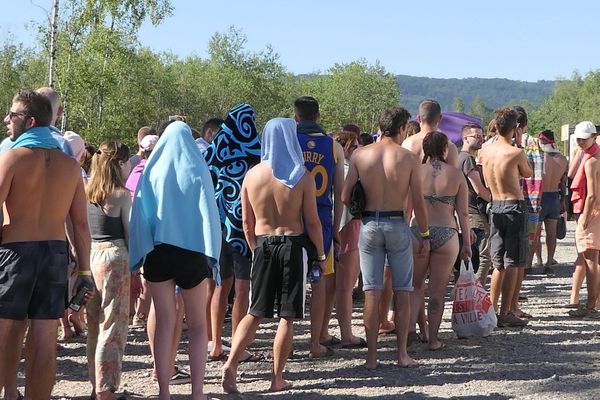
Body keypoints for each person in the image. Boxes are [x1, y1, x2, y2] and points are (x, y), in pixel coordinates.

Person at [221, 118, 325, 393]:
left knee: (255, 312)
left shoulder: (252, 175)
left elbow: (245, 222)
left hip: (264, 244)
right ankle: (276, 377)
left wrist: (257, 250)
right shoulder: (301, 175)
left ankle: (231, 362)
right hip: (293, 244)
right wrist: (321, 254)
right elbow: (313, 222)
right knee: (287, 316)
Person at [0, 90, 91, 400]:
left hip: (15, 253)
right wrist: (85, 271)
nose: (7, 121)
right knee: (44, 339)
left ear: (30, 121)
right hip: (54, 254)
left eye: (12, 115)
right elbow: (80, 225)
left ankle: (9, 392)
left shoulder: (11, 157)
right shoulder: (70, 166)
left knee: (6, 335)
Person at [129, 121, 221, 400]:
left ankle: (164, 391)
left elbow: (139, 214)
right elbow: (209, 212)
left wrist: (137, 258)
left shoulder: (152, 170)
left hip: (157, 251)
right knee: (197, 325)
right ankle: (197, 392)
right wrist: (213, 255)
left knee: (165, 322)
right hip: (191, 251)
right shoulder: (197, 168)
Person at [342, 106, 429, 370]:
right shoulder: (408, 158)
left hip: (369, 223)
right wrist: (424, 233)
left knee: (371, 291)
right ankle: (401, 354)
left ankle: (371, 358)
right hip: (397, 223)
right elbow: (418, 201)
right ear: (402, 128)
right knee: (402, 291)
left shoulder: (360, 154)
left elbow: (345, 196)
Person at [203, 104, 262, 362]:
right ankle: (238, 347)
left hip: (217, 228)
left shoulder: (215, 150)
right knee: (242, 288)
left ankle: (215, 343)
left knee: (219, 285)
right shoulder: (255, 151)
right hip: (243, 228)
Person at [410, 131, 471, 350]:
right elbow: (463, 213)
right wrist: (467, 243)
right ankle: (433, 339)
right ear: (445, 149)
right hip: (447, 233)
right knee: (437, 291)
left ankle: (411, 332)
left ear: (425, 150)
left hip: (418, 231)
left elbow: (408, 208)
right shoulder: (456, 175)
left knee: (415, 286)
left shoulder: (416, 171)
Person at [294, 96, 344, 357]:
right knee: (321, 281)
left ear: (296, 117)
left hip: (294, 217)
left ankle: (287, 342)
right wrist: (336, 228)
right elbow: (339, 191)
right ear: (319, 116)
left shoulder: (289, 142)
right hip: (322, 216)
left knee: (291, 282)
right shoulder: (333, 145)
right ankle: (318, 339)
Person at [85, 140, 135, 400]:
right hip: (115, 258)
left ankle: (96, 386)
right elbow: (129, 234)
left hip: (91, 255)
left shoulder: (86, 191)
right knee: (112, 327)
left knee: (94, 324)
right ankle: (107, 390)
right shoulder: (121, 195)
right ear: (119, 164)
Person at [479, 108, 532, 328]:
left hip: (495, 206)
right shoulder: (514, 152)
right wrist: (518, 143)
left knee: (498, 262)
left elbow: (484, 179)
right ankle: (506, 310)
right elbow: (527, 173)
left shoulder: (484, 150)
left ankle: (492, 308)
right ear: (514, 128)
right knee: (513, 261)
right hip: (514, 206)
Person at [331, 130, 367, 348]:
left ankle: (323, 333)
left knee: (328, 287)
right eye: (354, 147)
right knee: (345, 285)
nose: (357, 150)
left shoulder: (328, 169)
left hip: (331, 228)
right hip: (348, 226)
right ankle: (346, 333)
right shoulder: (348, 171)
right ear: (345, 148)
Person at [568, 121, 600, 318]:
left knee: (590, 261)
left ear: (593, 138)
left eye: (583, 139)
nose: (580, 142)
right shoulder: (594, 156)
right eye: (578, 139)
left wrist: (585, 218)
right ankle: (594, 302)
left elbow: (591, 195)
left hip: (594, 212)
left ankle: (590, 305)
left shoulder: (590, 161)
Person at [459, 123, 492, 286]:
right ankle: (476, 292)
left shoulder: (458, 158)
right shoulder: (468, 160)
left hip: (465, 213)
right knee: (484, 256)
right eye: (476, 136)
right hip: (474, 213)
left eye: (482, 136)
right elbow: (479, 190)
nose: (481, 140)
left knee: (471, 258)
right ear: (465, 138)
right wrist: (496, 199)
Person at [535, 130, 568, 269]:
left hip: (540, 197)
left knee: (535, 233)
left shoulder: (540, 158)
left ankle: (539, 260)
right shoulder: (563, 159)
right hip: (554, 196)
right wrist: (563, 202)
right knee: (552, 233)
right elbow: (564, 183)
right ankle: (549, 261)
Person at [402, 99, 459, 167]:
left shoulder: (408, 143)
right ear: (440, 118)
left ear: (419, 118)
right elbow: (453, 175)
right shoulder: (449, 147)